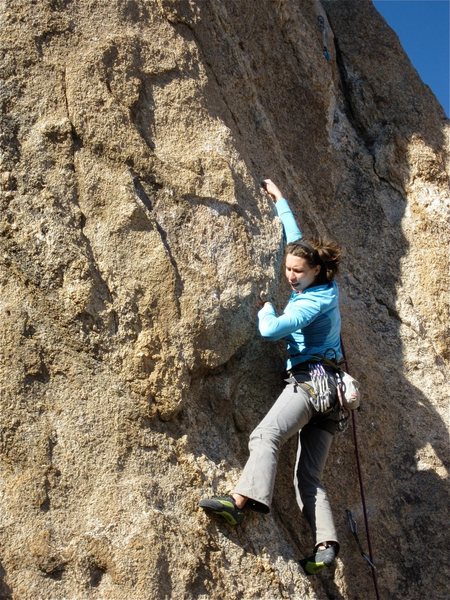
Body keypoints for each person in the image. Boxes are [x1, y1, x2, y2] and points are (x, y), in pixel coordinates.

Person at [199, 179, 344, 574]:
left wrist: (265, 308)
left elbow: (272, 330)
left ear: (315, 270)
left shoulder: (311, 303)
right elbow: (295, 240)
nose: (291, 276)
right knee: (307, 477)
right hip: (334, 397)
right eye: (287, 270)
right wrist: (282, 201)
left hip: (311, 384)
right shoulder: (322, 283)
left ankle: (241, 502)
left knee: (266, 435)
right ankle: (326, 546)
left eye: (297, 271)